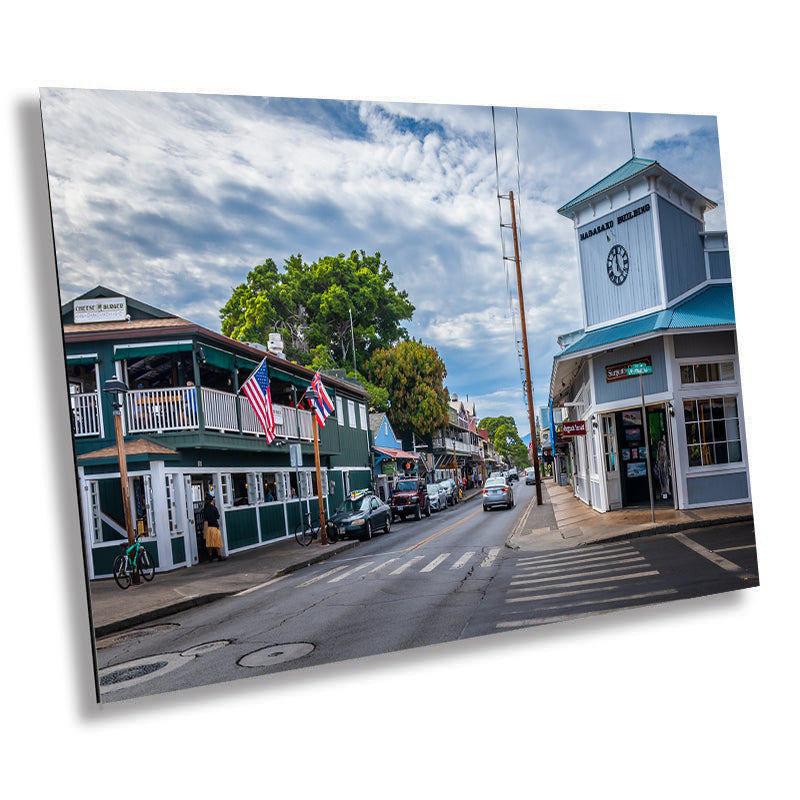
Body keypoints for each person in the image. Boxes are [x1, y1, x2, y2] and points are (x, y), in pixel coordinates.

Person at [203, 493, 225, 561]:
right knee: (216, 542)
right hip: (214, 527)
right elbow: (218, 517)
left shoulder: (205, 509)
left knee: (209, 543)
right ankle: (219, 555)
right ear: (211, 501)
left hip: (208, 527)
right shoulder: (214, 508)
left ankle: (210, 556)